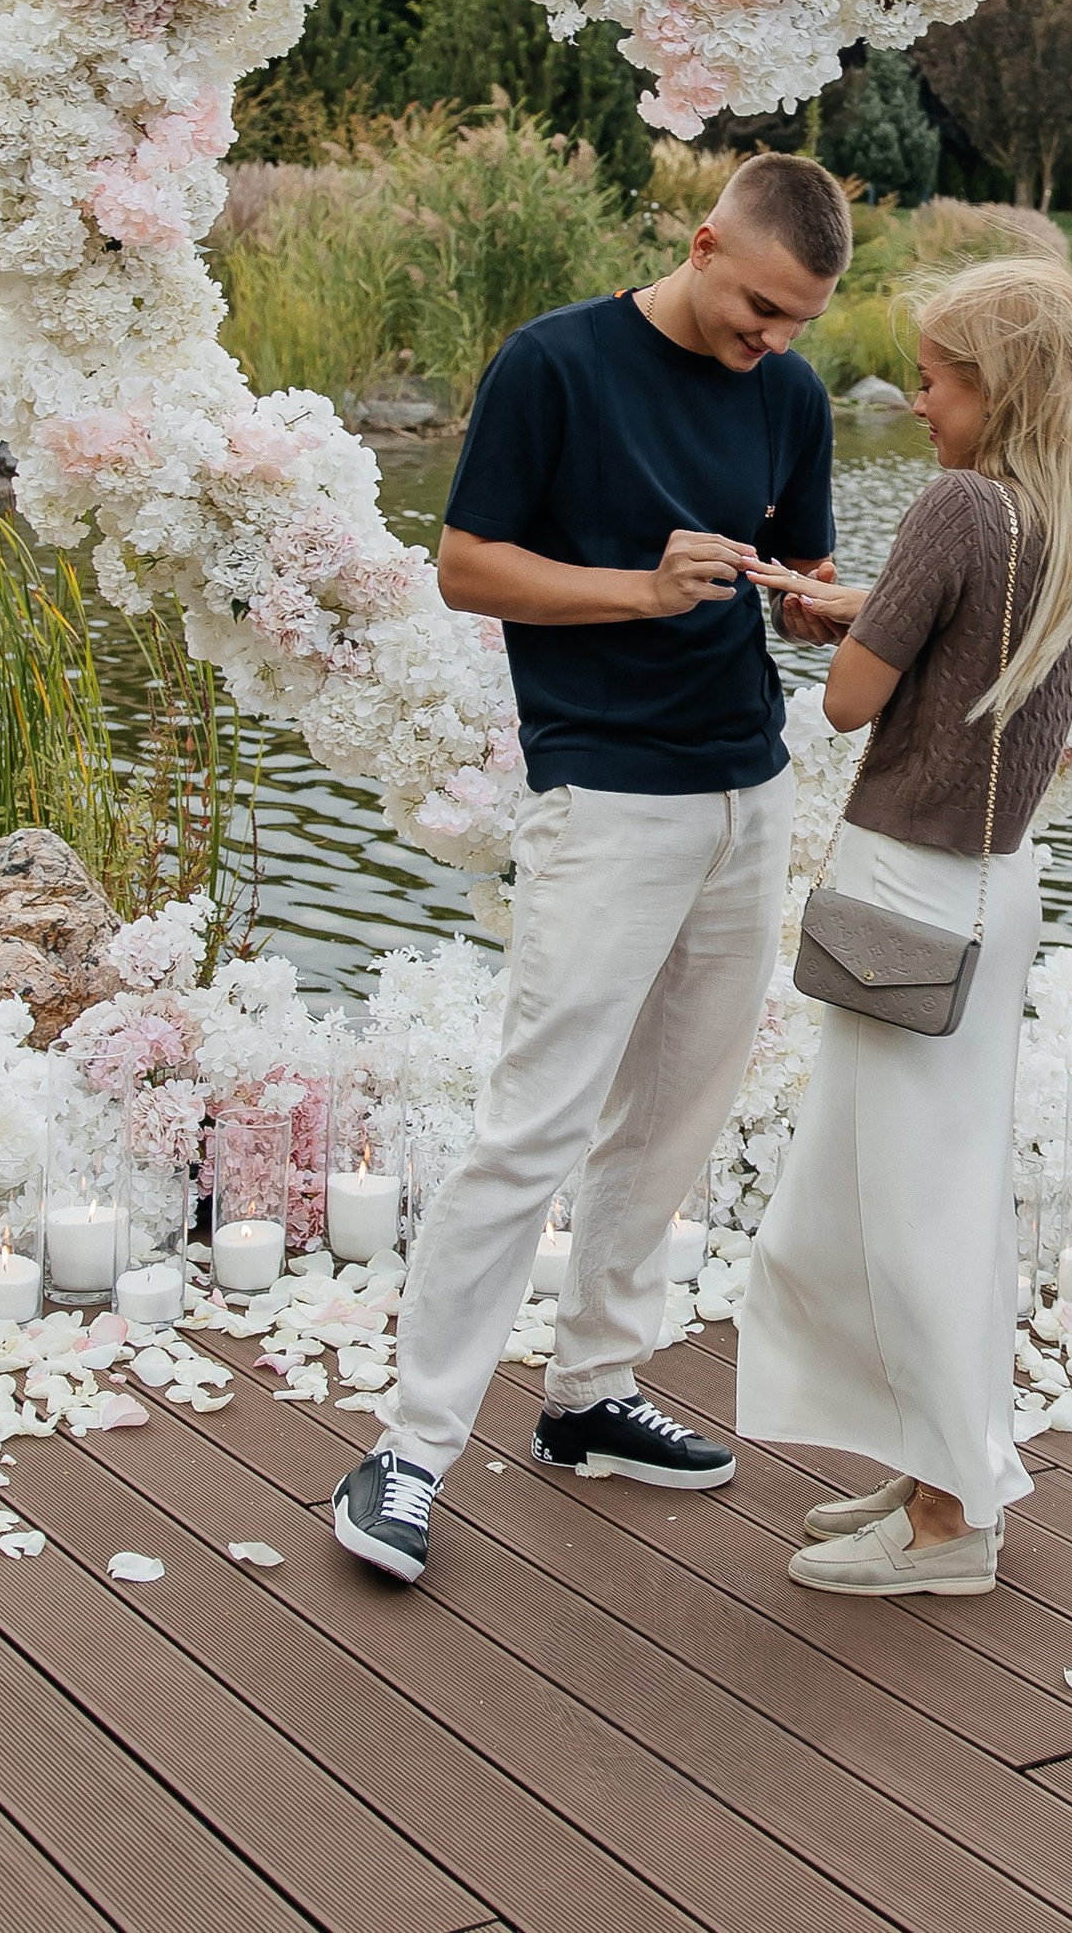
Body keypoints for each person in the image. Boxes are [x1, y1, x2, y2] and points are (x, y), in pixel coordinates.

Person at [330, 147, 852, 1585]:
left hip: (749, 792)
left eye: (798, 323)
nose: (773, 343)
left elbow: (794, 585)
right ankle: (410, 1449)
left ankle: (588, 1396)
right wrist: (637, 587)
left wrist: (830, 608)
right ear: (700, 243)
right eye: (759, 310)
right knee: (537, 1122)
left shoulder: (790, 400)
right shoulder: (554, 365)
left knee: (679, 1112)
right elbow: (465, 566)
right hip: (606, 797)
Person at [734, 252, 1072, 1597]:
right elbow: (952, 654)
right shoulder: (1060, 517)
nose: (922, 405)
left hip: (909, 885)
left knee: (907, 1209)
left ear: (993, 390)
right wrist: (862, 609)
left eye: (939, 383)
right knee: (902, 1190)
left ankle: (953, 1525)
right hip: (989, 889)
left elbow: (849, 705)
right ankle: (931, 1458)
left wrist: (839, 626)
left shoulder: (954, 509)